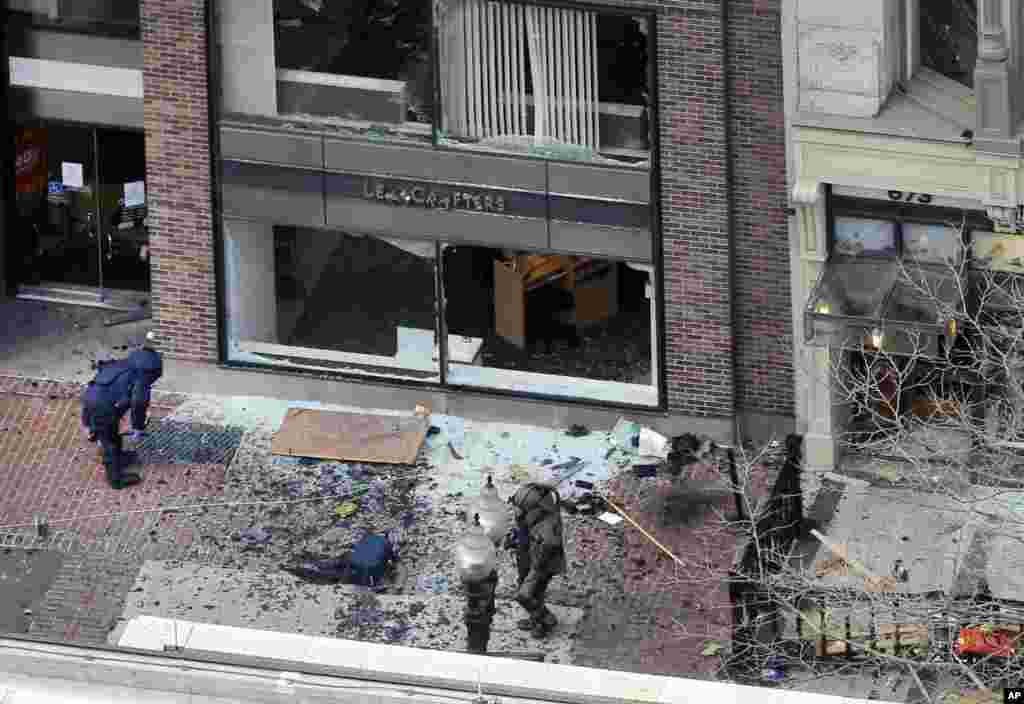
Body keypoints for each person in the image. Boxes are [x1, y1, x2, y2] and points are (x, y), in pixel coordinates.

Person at [85, 347, 163, 489]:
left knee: (111, 432)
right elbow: (139, 403)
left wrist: (88, 421)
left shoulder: (122, 365)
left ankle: (119, 458)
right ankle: (115, 479)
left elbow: (100, 385)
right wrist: (137, 427)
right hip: (102, 406)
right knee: (109, 441)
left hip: (95, 399)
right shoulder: (142, 376)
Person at [504, 482, 566, 639]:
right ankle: (535, 618)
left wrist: (536, 570)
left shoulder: (548, 526)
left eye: (525, 511)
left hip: (542, 565)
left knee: (529, 594)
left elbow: (549, 545)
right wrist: (515, 539)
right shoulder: (532, 518)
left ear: (539, 510)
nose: (519, 515)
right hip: (528, 558)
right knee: (526, 588)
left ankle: (544, 620)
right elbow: (523, 531)